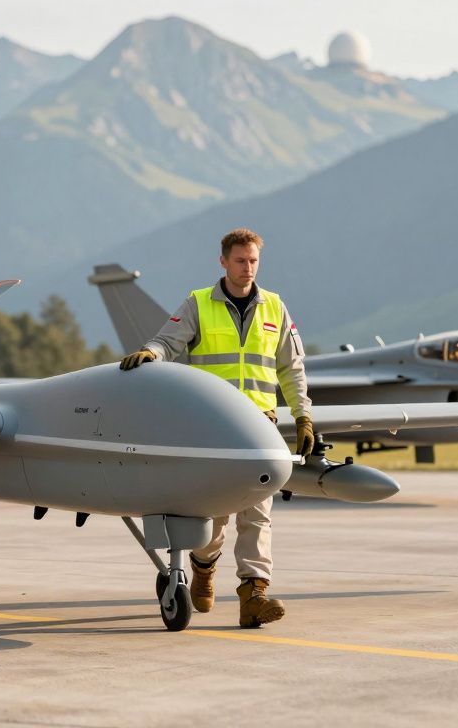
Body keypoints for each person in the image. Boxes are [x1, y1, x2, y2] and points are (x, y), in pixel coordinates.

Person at [119, 228, 314, 628]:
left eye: (254, 261)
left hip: (261, 425)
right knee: (216, 516)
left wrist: (303, 416)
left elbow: (291, 369)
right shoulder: (198, 304)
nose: (247, 268)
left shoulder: (275, 307)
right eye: (240, 260)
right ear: (223, 261)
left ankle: (253, 594)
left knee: (257, 513)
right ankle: (203, 565)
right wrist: (150, 353)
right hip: (213, 428)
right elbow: (168, 341)